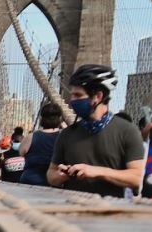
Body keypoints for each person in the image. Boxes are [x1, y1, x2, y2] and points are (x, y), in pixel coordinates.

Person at [48, 64, 145, 197]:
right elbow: (51, 175)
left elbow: (137, 178)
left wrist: (97, 171)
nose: (72, 101)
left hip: (111, 213)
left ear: (98, 96)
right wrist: (62, 175)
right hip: (70, 211)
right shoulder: (67, 134)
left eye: (78, 95)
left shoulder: (127, 131)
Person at [18, 101, 64, 186]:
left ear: (42, 118)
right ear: (60, 119)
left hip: (29, 183)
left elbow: (21, 152)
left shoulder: (30, 137)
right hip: (54, 184)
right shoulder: (64, 137)